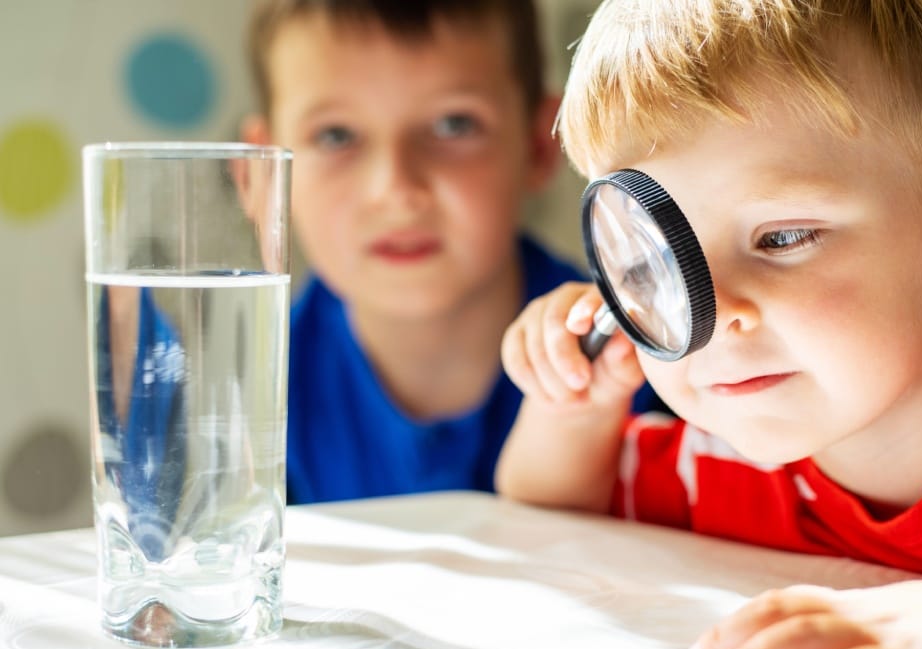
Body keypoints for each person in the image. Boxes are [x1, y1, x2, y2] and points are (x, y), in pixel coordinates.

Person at [495, 0, 922, 649]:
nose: (714, 314)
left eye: (781, 238)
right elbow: (546, 516)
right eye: (655, 266)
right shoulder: (722, 456)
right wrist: (573, 404)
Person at [241, 0, 662, 504]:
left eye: (453, 126)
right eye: (336, 136)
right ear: (260, 174)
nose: (395, 188)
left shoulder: (648, 361)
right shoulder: (247, 400)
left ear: (542, 143)